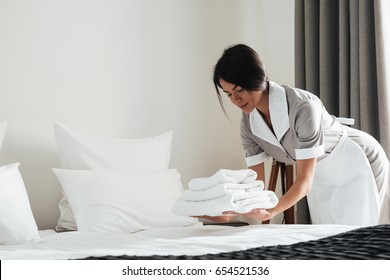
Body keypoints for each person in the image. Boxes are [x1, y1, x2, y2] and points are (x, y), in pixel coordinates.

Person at [209, 43, 390, 225]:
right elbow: (256, 184)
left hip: (357, 160)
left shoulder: (302, 107)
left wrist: (271, 211)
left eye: (239, 89)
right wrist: (232, 210)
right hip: (320, 173)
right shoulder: (249, 123)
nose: (235, 100)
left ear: (256, 78)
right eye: (228, 94)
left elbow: (304, 180)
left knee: (362, 235)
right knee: (331, 241)